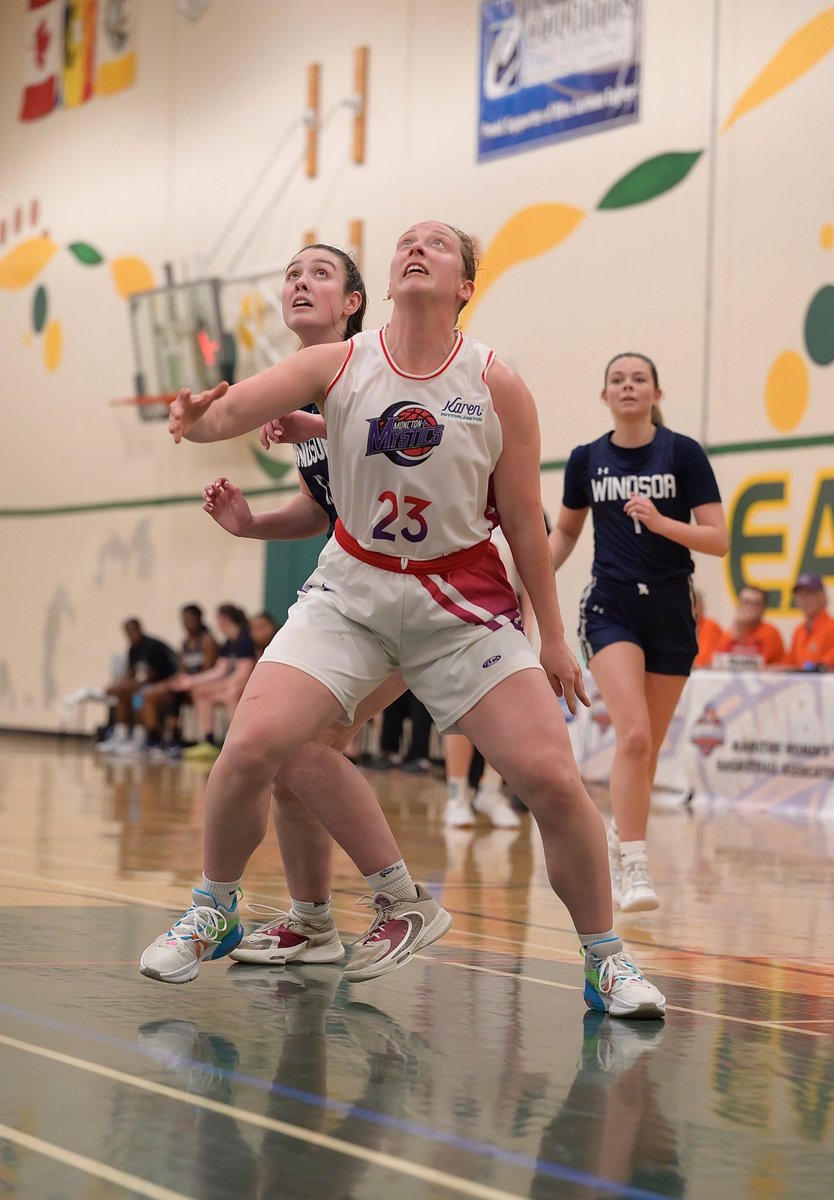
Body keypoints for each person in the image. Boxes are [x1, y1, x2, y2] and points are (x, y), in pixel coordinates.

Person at [141, 220, 666, 1019]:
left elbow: (525, 524)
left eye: (438, 245)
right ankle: (215, 908)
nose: (417, 248)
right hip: (352, 591)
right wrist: (198, 418)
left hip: (460, 602)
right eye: (407, 243)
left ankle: (606, 960)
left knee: (553, 782)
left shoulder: (496, 384)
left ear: (464, 286)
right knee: (253, 744)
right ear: (386, 285)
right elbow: (235, 410)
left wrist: (555, 637)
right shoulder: (338, 362)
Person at [195, 242, 408, 969]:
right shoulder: (299, 390)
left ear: (353, 302)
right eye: (291, 274)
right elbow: (323, 509)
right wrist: (252, 525)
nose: (300, 282)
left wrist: (313, 425)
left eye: (320, 273)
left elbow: (406, 452)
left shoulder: (375, 369)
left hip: (423, 593)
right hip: (356, 591)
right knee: (296, 756)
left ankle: (400, 900)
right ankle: (313, 922)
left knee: (299, 748)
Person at [549, 353, 728, 913]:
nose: (628, 387)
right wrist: (524, 578)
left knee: (645, 746)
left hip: (672, 609)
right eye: (617, 380)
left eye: (639, 379)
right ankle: (634, 866)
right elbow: (565, 535)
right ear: (604, 395)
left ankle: (620, 830)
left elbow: (718, 539)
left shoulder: (683, 453)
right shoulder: (586, 460)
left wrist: (662, 522)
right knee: (632, 736)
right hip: (612, 607)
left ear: (656, 393)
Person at [174, 604, 257, 760]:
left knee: (232, 692)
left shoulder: (244, 639)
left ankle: (236, 742)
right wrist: (192, 681)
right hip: (233, 683)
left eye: (217, 618)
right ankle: (209, 741)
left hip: (250, 685)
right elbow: (219, 670)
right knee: (201, 692)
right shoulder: (228, 642)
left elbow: (244, 673)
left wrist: (223, 685)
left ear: (224, 619)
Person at [139, 603, 219, 758]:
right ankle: (153, 738)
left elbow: (208, 672)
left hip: (201, 684)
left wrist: (186, 683)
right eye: (183, 620)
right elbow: (181, 671)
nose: (186, 623)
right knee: (147, 695)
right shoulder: (185, 642)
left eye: (189, 619)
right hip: (185, 684)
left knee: (173, 694)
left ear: (199, 619)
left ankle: (174, 738)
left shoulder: (208, 641)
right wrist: (166, 684)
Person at [98, 618, 178, 753]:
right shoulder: (133, 649)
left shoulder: (153, 647)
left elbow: (150, 677)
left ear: (140, 629)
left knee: (138, 697)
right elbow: (131, 673)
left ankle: (141, 737)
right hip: (144, 685)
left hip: (165, 683)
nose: (130, 635)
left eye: (132, 631)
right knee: (122, 694)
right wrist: (118, 685)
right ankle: (121, 735)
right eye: (127, 633)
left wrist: (126, 686)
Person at [712, 584, 785, 667]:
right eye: (746, 602)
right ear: (738, 605)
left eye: (756, 604)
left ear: (764, 608)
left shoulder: (771, 632)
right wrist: (736, 633)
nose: (751, 608)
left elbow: (768, 666)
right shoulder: (728, 634)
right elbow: (717, 663)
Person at [782, 574, 834, 671]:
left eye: (810, 593)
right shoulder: (799, 630)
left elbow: (824, 668)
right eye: (800, 595)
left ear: (823, 596)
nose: (804, 599)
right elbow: (787, 664)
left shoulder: (832, 628)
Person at [692, 589, 724, 668]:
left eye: (695, 605)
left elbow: (703, 661)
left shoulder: (711, 627)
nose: (693, 609)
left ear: (702, 606)